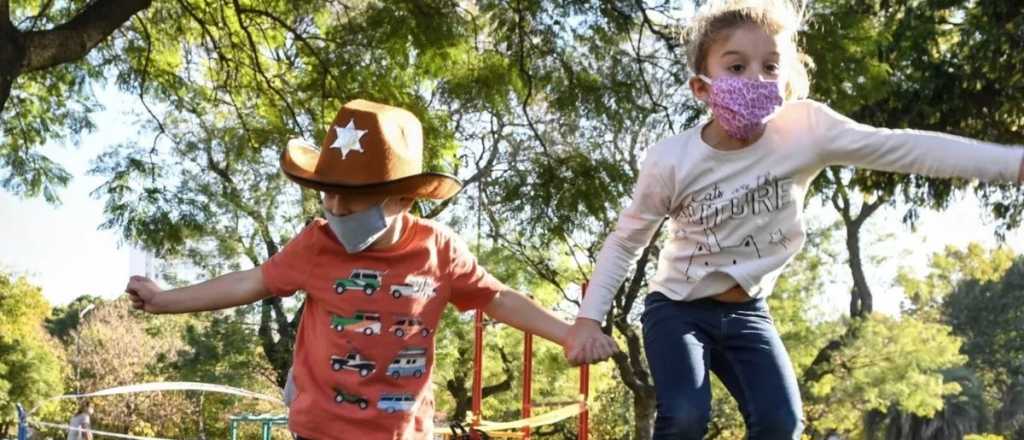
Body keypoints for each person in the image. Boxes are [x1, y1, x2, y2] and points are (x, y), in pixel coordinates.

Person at [562, 1, 1024, 438]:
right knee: (684, 417)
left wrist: (1010, 164)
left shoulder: (805, 131)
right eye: (737, 67)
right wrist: (588, 320)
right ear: (702, 86)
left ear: (786, 80)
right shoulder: (671, 161)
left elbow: (905, 148)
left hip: (747, 311)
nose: (756, 78)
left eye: (770, 66)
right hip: (677, 309)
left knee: (780, 424)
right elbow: (627, 241)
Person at [126, 99, 616, 440]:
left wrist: (568, 333)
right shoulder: (316, 244)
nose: (336, 205)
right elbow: (253, 281)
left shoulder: (438, 249)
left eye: (353, 196)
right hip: (320, 429)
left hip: (402, 432)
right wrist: (166, 299)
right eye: (328, 191)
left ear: (403, 197)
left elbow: (497, 297)